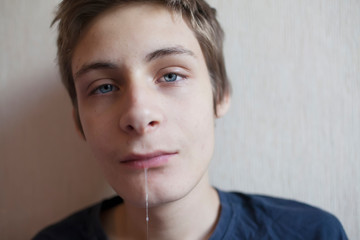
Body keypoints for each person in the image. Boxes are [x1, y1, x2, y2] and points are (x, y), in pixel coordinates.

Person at [33, 0, 348, 239]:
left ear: (220, 94)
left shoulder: (313, 233)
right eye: (103, 87)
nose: (139, 115)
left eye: (171, 75)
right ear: (78, 122)